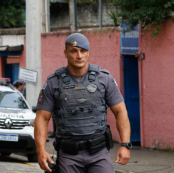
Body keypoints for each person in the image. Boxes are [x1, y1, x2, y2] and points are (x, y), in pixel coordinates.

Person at [34, 33, 131, 173]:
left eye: (83, 51)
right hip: (68, 155)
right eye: (74, 51)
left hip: (99, 153)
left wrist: (125, 144)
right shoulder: (53, 82)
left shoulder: (104, 79)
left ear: (88, 53)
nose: (79, 56)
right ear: (65, 53)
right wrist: (40, 150)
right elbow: (42, 118)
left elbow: (120, 111)